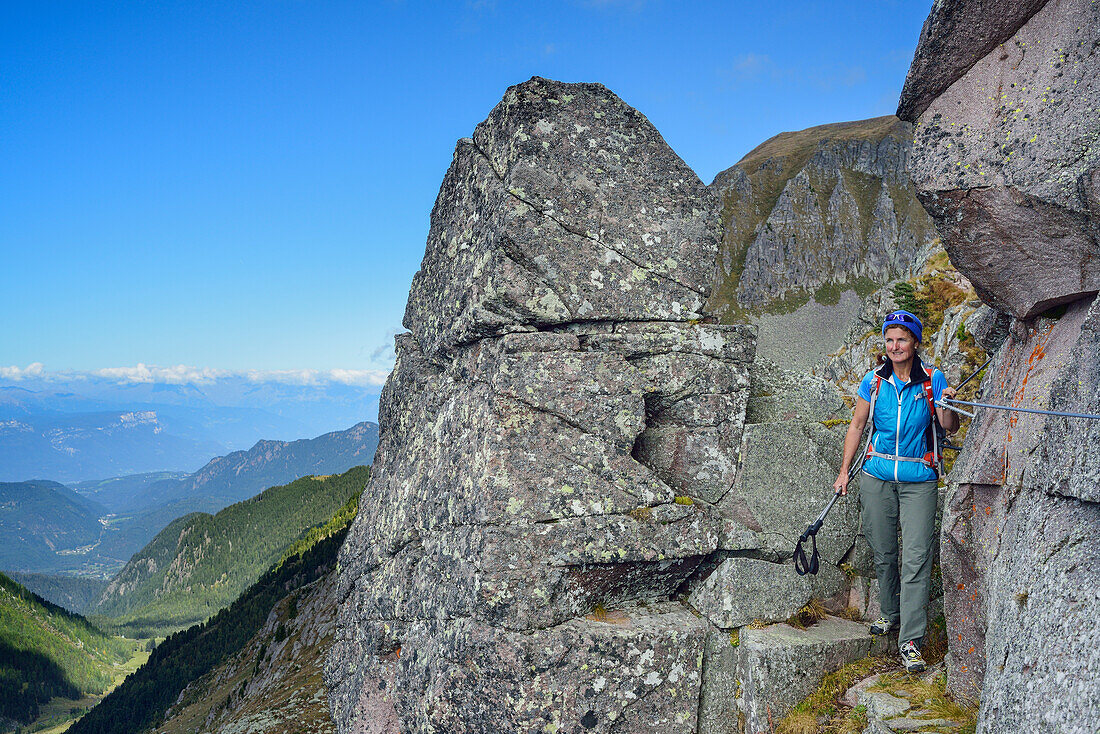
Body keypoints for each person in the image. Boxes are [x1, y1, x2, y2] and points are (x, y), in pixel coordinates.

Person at [833, 309, 958, 674]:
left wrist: (946, 403)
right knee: (883, 551)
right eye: (889, 340)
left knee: (916, 557)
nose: (895, 346)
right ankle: (889, 615)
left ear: (915, 342)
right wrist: (844, 471)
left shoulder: (932, 380)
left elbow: (948, 427)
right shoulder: (873, 380)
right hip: (877, 475)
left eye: (902, 339)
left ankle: (911, 641)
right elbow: (857, 426)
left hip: (920, 479)